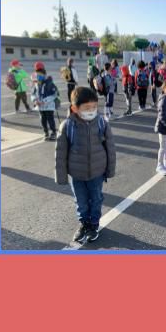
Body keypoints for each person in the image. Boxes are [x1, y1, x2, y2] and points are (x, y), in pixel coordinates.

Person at [55, 87, 116, 243]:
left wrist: (110, 170)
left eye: (94, 107)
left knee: (96, 199)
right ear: (75, 108)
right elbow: (61, 153)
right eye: (87, 108)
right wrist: (61, 176)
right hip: (77, 174)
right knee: (80, 201)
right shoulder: (67, 126)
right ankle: (84, 224)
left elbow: (110, 147)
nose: (92, 111)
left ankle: (93, 225)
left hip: (97, 172)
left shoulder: (102, 123)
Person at [33, 66, 59, 140]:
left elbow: (54, 94)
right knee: (43, 120)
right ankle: (46, 132)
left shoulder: (50, 83)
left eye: (40, 75)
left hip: (49, 106)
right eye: (37, 75)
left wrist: (44, 101)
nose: (38, 77)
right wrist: (35, 100)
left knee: (50, 119)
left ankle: (53, 132)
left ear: (44, 75)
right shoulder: (36, 84)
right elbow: (33, 94)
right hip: (40, 107)